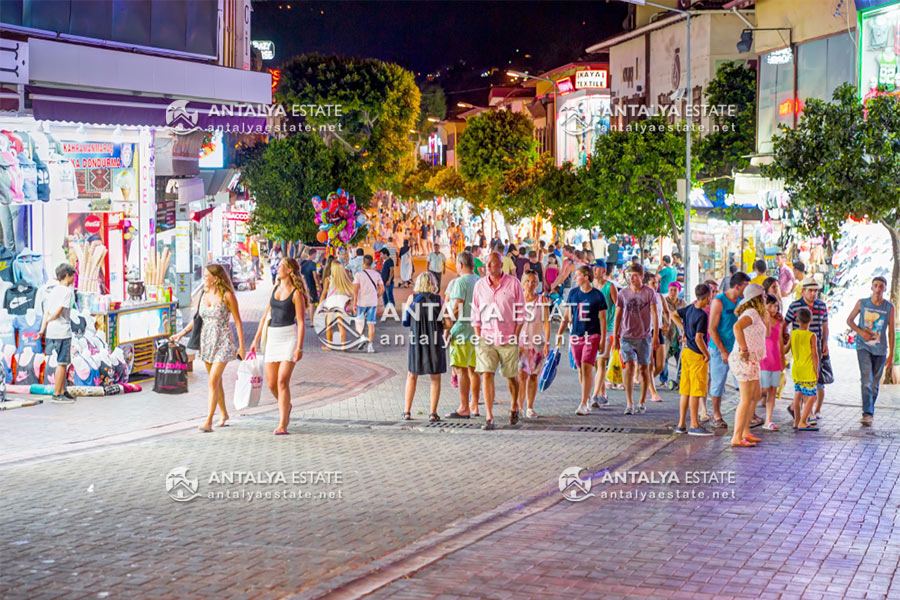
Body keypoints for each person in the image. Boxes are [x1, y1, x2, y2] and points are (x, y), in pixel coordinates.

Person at [172, 265, 245, 433]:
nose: (204, 278)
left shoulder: (227, 296)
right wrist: (180, 334)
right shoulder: (203, 294)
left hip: (223, 341)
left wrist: (242, 346)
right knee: (215, 381)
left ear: (216, 278)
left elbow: (238, 321)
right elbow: (197, 319)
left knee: (212, 380)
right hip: (206, 342)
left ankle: (209, 421)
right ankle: (224, 414)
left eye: (207, 275)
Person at [249, 258, 308, 434]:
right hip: (272, 338)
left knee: (282, 380)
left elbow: (301, 322)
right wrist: (255, 339)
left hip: (288, 337)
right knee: (272, 384)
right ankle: (286, 405)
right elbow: (265, 316)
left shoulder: (296, 293)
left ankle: (282, 423)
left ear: (289, 270)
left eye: (281, 266)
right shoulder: (275, 289)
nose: (278, 268)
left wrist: (300, 347)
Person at [472, 252, 525, 430]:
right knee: (486, 374)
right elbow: (475, 312)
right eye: (487, 264)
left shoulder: (513, 284)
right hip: (486, 337)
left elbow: (521, 312)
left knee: (511, 377)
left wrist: (515, 335)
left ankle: (514, 406)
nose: (488, 267)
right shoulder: (479, 285)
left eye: (492, 264)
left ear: (500, 265)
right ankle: (489, 416)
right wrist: (478, 335)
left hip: (508, 336)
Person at [557, 265, 607, 415]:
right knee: (580, 369)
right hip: (576, 335)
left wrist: (603, 339)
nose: (574, 278)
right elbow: (567, 315)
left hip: (592, 334)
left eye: (577, 275)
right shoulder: (573, 293)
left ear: (586, 277)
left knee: (586, 366)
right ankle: (586, 396)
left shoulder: (597, 295)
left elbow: (603, 319)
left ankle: (584, 402)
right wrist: (560, 333)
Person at [846, 277, 895, 426]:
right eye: (876, 286)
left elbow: (891, 331)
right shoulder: (863, 303)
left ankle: (870, 408)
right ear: (871, 287)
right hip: (863, 346)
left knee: (874, 384)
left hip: (880, 349)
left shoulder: (889, 307)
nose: (878, 289)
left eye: (881, 286)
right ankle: (867, 413)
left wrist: (892, 354)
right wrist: (860, 332)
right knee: (866, 380)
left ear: (884, 289)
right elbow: (849, 320)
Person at [613, 263, 659, 415]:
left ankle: (642, 401)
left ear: (641, 276)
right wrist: (616, 335)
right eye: (629, 275)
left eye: (634, 275)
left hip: (644, 336)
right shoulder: (623, 294)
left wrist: (656, 335)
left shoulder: (649, 292)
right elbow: (618, 315)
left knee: (644, 370)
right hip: (626, 336)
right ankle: (629, 402)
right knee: (630, 367)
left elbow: (654, 314)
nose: (631, 278)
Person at [708, 271, 751, 428]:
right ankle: (716, 415)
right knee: (718, 382)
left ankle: (748, 413)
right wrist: (723, 350)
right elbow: (712, 329)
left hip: (737, 347)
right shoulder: (719, 301)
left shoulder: (742, 301)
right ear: (737, 286)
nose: (746, 290)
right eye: (745, 286)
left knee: (744, 381)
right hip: (719, 348)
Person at [401, 272, 446, 421]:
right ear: (433, 284)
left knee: (412, 375)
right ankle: (433, 413)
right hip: (434, 341)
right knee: (435, 378)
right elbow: (447, 322)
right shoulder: (439, 300)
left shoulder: (412, 299)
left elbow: (405, 322)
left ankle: (407, 411)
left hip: (417, 340)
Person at [785, 277, 830, 422]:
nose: (813, 293)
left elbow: (825, 326)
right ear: (803, 291)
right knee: (807, 383)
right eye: (810, 290)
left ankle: (808, 412)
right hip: (801, 349)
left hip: (817, 346)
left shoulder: (822, 306)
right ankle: (805, 414)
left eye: (815, 291)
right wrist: (786, 339)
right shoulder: (794, 306)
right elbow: (784, 324)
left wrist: (825, 344)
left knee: (818, 382)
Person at [670, 283, 713, 436]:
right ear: (708, 296)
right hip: (696, 355)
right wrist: (706, 354)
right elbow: (699, 338)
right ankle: (694, 424)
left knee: (685, 390)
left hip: (686, 353)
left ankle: (681, 424)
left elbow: (673, 314)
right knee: (696, 390)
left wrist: (682, 328)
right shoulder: (702, 315)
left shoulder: (689, 308)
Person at [729, 283, 768, 448]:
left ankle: (745, 431)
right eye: (764, 295)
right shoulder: (751, 312)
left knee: (755, 394)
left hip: (752, 359)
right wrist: (744, 348)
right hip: (745, 359)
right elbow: (737, 327)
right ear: (757, 298)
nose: (766, 298)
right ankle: (737, 437)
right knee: (746, 398)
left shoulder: (756, 314)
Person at [445, 251, 482, 419]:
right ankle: (474, 405)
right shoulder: (480, 282)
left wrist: (447, 325)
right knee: (473, 370)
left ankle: (464, 407)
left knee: (460, 370)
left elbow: (457, 306)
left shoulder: (460, 282)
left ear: (460, 265)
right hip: (476, 331)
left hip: (461, 331)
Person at [40, 263, 76, 404]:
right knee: (62, 363)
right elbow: (59, 311)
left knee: (63, 362)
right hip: (62, 331)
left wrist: (43, 329)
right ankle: (57, 393)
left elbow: (47, 311)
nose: (73, 278)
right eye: (72, 275)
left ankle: (62, 390)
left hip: (51, 332)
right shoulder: (67, 292)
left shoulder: (53, 291)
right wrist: (51, 319)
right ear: (67, 275)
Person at [518, 271, 550, 418]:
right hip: (521, 343)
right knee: (521, 375)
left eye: (533, 281)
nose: (530, 284)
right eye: (528, 281)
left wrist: (547, 343)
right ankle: (519, 406)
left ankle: (529, 406)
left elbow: (546, 322)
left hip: (537, 342)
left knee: (533, 375)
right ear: (523, 282)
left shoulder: (541, 300)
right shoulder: (518, 300)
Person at [590, 258, 618, 406]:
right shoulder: (589, 286)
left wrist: (618, 329)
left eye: (597, 267)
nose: (594, 270)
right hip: (592, 328)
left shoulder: (610, 287)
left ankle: (594, 395)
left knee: (601, 361)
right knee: (595, 363)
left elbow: (618, 306)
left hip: (607, 329)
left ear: (603, 270)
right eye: (593, 268)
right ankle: (602, 394)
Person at [758, 293, 788, 431]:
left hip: (775, 358)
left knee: (772, 391)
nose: (773, 308)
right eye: (770, 305)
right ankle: (749, 414)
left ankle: (768, 420)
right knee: (762, 390)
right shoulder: (760, 320)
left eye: (775, 306)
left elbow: (780, 341)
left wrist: (782, 358)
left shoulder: (779, 321)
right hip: (763, 358)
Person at [791, 308, 820, 431]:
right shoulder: (811, 336)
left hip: (797, 369)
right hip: (807, 370)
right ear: (811, 320)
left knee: (798, 395)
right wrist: (816, 370)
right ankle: (803, 421)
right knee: (812, 396)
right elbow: (814, 355)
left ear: (797, 320)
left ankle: (796, 421)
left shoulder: (794, 333)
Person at [320, 260, 355, 350]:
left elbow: (324, 293)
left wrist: (320, 304)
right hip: (341, 305)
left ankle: (329, 346)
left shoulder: (328, 279)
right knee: (341, 325)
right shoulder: (344, 279)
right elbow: (350, 293)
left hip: (330, 305)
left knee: (329, 326)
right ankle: (343, 346)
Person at [352, 255, 384, 353]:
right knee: (371, 324)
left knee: (359, 322)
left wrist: (354, 303)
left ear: (363, 263)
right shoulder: (376, 274)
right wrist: (377, 296)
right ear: (372, 263)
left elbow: (356, 290)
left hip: (361, 302)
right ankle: (370, 346)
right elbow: (382, 289)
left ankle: (362, 337)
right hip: (372, 302)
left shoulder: (358, 274)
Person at [661, 280, 685, 390]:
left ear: (679, 291)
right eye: (671, 290)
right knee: (664, 357)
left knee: (680, 357)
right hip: (666, 333)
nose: (673, 292)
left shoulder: (682, 303)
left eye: (675, 290)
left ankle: (679, 379)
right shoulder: (664, 301)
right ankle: (663, 379)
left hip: (679, 334)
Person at [300, 248, 321, 322]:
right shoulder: (313, 264)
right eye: (315, 254)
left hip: (303, 285)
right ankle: (312, 321)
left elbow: (300, 273)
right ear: (313, 254)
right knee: (312, 303)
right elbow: (315, 277)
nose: (316, 256)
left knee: (305, 302)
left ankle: (302, 319)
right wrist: (319, 286)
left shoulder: (302, 263)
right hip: (311, 285)